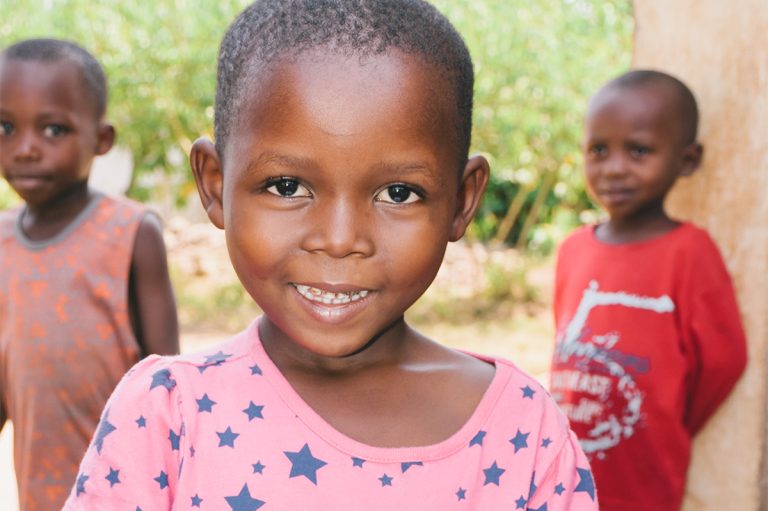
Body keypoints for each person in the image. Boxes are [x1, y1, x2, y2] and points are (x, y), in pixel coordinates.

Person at [62, 1, 598, 509]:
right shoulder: (166, 417)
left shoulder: (524, 434)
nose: (340, 240)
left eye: (398, 194)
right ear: (214, 184)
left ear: (462, 202)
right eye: (287, 186)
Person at [549, 69, 748, 511]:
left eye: (638, 150)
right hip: (567, 471)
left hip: (645, 481)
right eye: (598, 150)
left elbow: (724, 360)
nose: (614, 168)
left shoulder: (689, 251)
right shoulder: (572, 249)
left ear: (687, 160)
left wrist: (665, 419)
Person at [0, 38, 179, 511]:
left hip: (126, 492)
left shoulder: (131, 233)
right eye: (5, 127)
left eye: (53, 129)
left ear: (101, 140)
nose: (25, 149)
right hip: (40, 493)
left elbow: (168, 381)